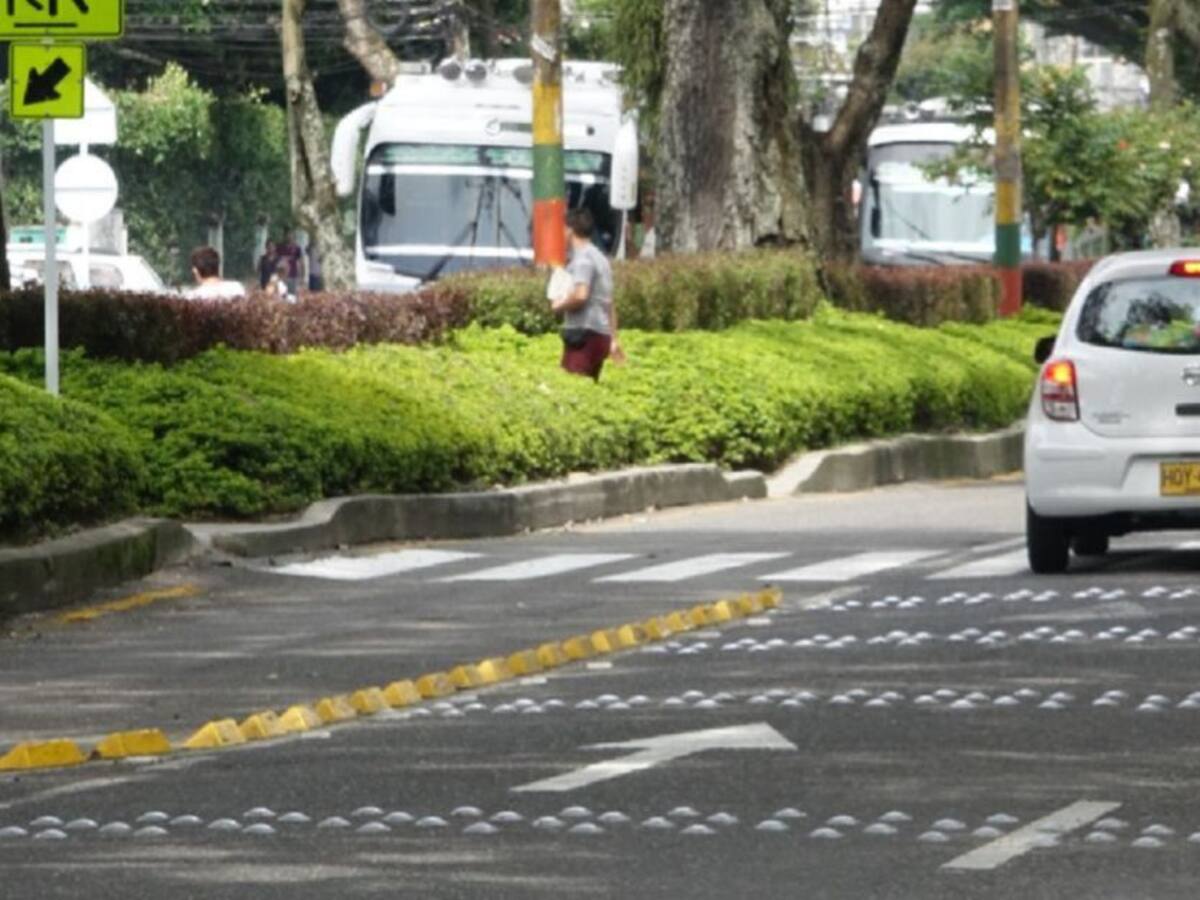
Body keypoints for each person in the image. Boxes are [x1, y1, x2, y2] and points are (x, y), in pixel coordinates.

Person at [551, 209, 623, 381]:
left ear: (570, 230)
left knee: (571, 388)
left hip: (584, 334)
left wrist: (559, 305)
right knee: (589, 391)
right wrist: (613, 339)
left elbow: (581, 295)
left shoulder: (582, 260)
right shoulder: (601, 259)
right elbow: (609, 302)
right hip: (601, 335)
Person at [276, 230, 305, 297]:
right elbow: (275, 261)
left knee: (292, 297)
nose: (289, 237)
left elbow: (301, 262)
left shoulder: (297, 248)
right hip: (281, 277)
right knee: (282, 297)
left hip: (293, 276)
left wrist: (302, 276)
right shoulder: (279, 247)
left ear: (293, 236)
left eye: (290, 235)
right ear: (284, 236)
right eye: (287, 235)